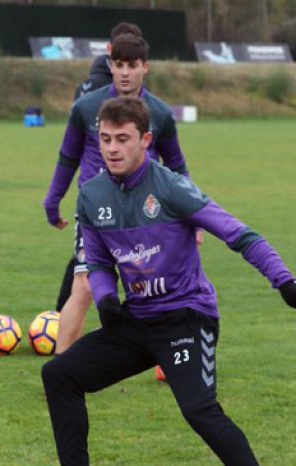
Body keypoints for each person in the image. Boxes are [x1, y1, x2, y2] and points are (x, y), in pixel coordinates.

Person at [22, 96, 296, 466]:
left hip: (187, 317)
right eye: (105, 139)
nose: (112, 148)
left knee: (200, 410)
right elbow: (101, 262)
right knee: (60, 375)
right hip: (136, 321)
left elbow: (242, 235)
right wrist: (107, 301)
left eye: (122, 139)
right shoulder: (92, 196)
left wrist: (287, 284)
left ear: (145, 140)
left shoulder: (171, 188)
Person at [44, 34, 190, 355]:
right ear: (110, 66)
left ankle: (173, 359)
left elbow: (177, 166)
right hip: (97, 213)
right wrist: (53, 200)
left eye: (132, 66)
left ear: (145, 68)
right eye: (118, 65)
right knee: (83, 285)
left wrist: (192, 217)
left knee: (160, 290)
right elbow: (68, 157)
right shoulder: (86, 108)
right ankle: (60, 368)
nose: (125, 73)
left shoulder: (161, 114)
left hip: (148, 216)